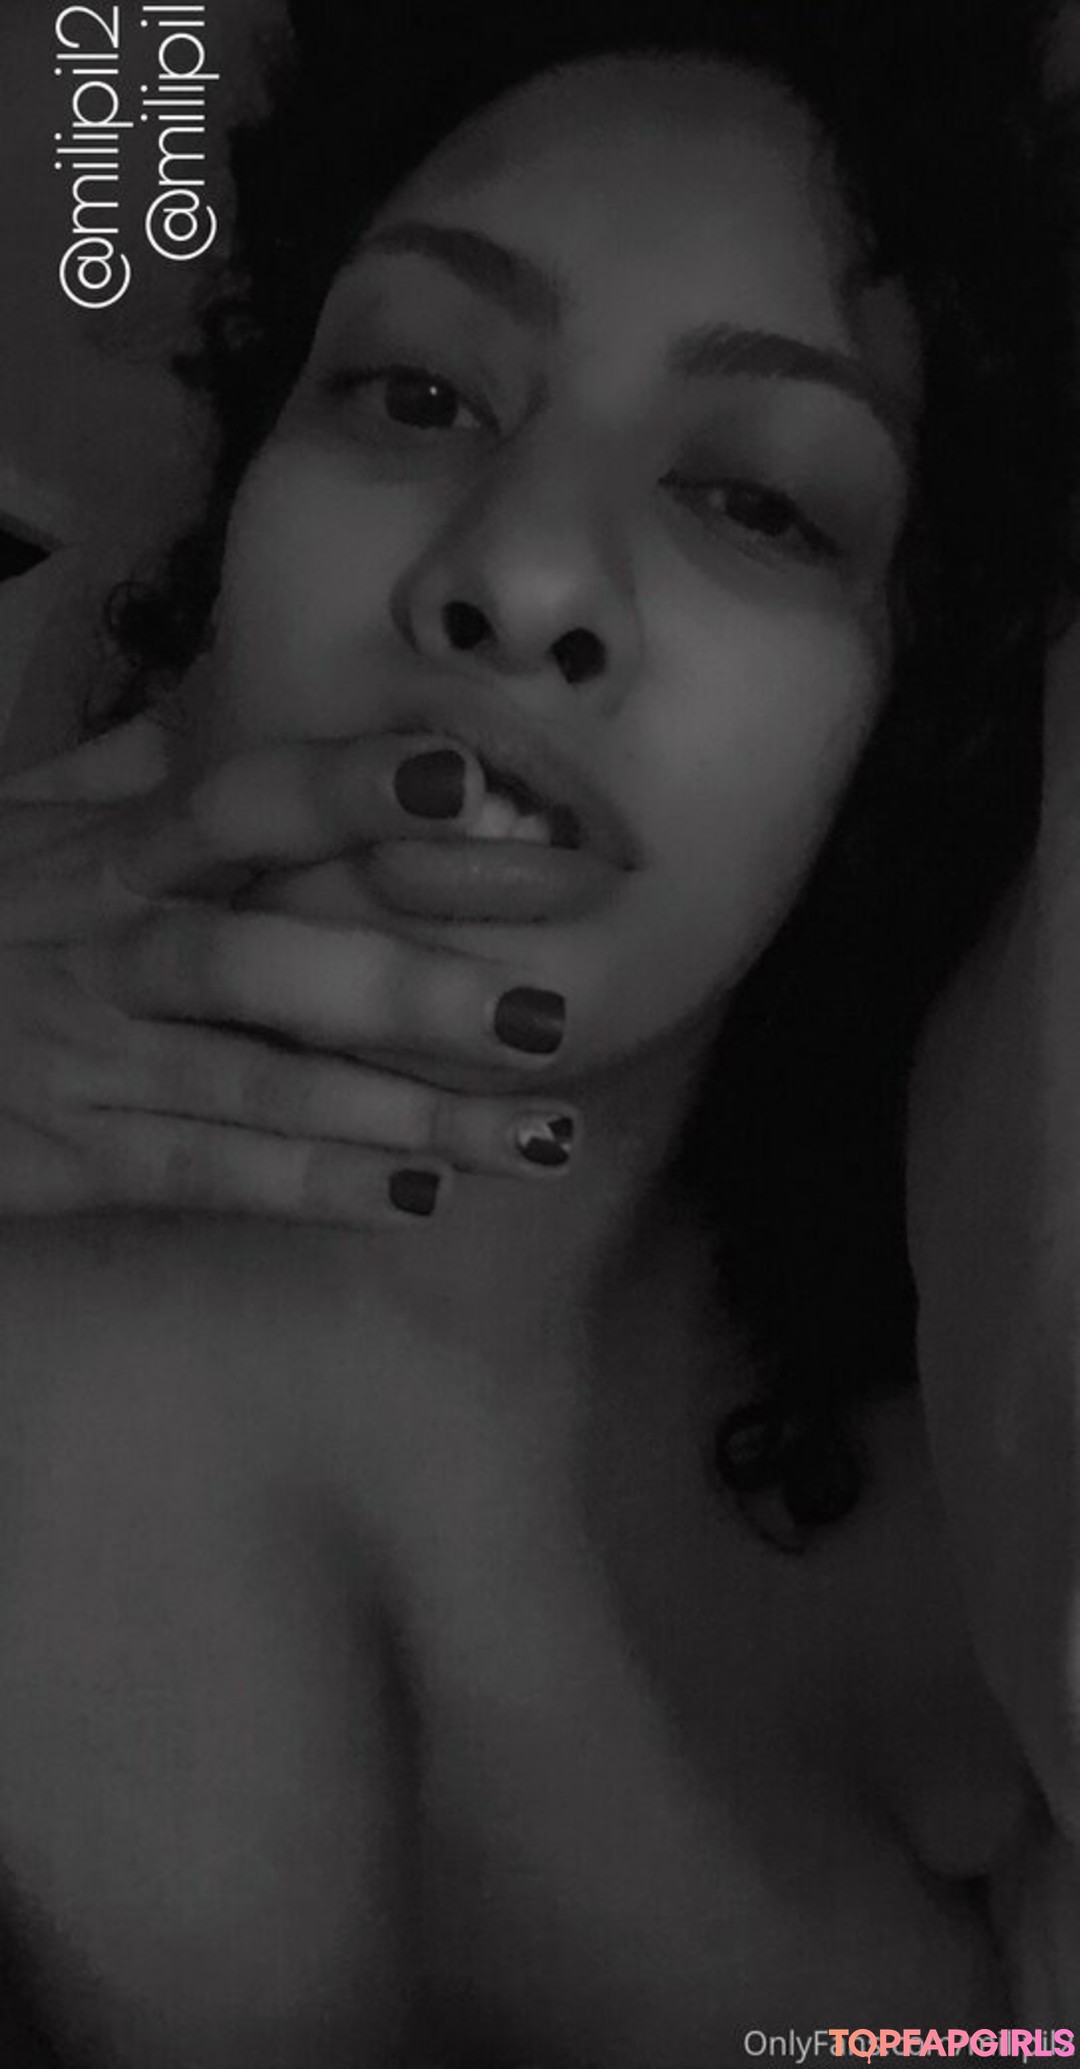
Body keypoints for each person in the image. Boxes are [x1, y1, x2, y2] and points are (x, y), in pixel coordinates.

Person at [0, 0, 1075, 2059]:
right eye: (413, 390)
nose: (524, 574)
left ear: (908, 721)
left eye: (760, 500)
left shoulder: (993, 1488)